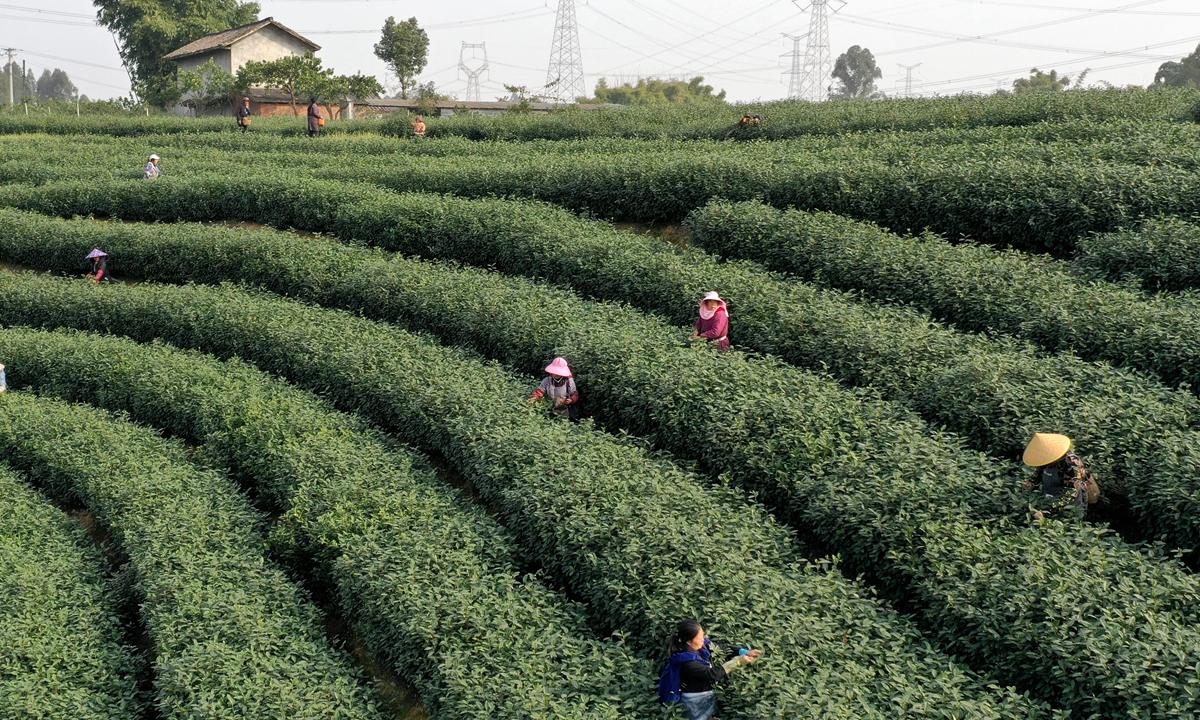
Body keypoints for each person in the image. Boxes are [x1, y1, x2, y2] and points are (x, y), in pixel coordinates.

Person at [658, 619, 761, 720]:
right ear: (689, 642)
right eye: (700, 637)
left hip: (705, 695)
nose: (704, 639)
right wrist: (736, 662)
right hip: (694, 701)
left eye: (703, 635)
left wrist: (745, 652)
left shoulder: (702, 646)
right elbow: (712, 674)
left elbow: (723, 647)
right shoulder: (687, 662)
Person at [1022, 433, 1098, 520]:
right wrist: (1031, 481)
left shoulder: (1071, 464)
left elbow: (1071, 493)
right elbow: (1040, 471)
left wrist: (1047, 511)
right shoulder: (1047, 458)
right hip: (1050, 497)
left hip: (1069, 507)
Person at [527, 357, 580, 422]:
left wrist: (571, 400)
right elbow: (539, 392)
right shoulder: (547, 380)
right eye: (555, 371)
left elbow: (575, 394)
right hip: (550, 409)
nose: (556, 374)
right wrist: (532, 400)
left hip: (565, 410)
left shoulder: (568, 381)